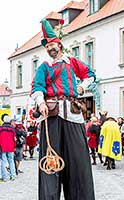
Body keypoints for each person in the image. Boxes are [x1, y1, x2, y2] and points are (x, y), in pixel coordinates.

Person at [31, 19, 95, 200]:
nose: (50, 48)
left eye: (52, 45)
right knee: (51, 164)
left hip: (74, 117)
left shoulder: (72, 62)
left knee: (79, 163)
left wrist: (82, 87)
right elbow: (37, 86)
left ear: (59, 45)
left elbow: (91, 75)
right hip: (51, 117)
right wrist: (41, 102)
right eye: (47, 46)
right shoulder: (44, 66)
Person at [0, 115, 16, 181]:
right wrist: (14, 146)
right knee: (11, 161)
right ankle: (13, 176)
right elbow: (15, 139)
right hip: (11, 147)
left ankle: (4, 177)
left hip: (2, 147)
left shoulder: (1, 128)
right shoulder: (12, 129)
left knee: (3, 162)